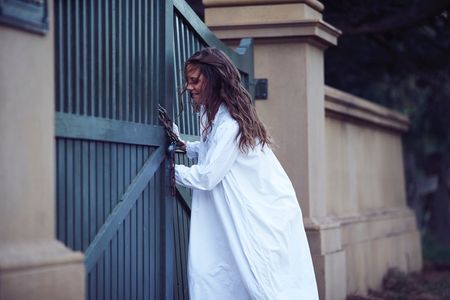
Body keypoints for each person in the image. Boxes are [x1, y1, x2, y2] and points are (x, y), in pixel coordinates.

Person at [173, 48, 319, 300]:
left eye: (195, 80)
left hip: (264, 211)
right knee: (222, 272)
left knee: (262, 282)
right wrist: (186, 147)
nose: (190, 87)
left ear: (213, 79)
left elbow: (208, 176)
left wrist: (170, 170)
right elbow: (212, 148)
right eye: (188, 81)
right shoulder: (213, 114)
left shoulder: (229, 123)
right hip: (245, 208)